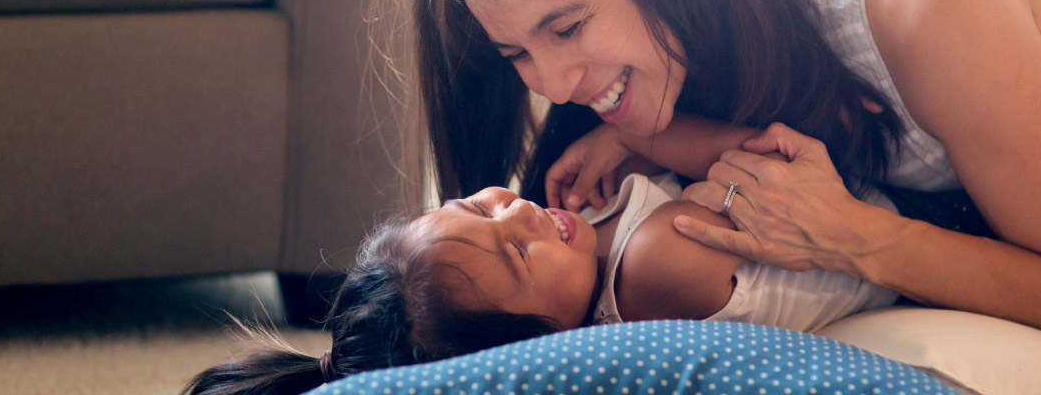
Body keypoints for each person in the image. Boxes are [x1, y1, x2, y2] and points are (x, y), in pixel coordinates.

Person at [370, 0, 1041, 350]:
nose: (553, 86)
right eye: (518, 56)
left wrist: (855, 236)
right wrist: (641, 141)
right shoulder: (667, 72)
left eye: (566, 28)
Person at [182, 169, 898, 395]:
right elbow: (745, 165)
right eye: (519, 257)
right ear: (543, 344)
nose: (519, 210)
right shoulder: (652, 271)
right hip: (918, 220)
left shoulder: (584, 231)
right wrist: (644, 142)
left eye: (479, 207)